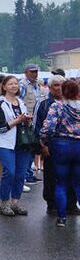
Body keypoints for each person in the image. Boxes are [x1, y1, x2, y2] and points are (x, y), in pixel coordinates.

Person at [34, 75, 77, 214]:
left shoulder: (73, 103)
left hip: (68, 146)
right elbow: (38, 126)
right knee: (52, 177)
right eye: (56, 85)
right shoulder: (44, 104)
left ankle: (71, 205)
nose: (59, 88)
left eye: (62, 85)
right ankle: (52, 205)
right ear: (50, 87)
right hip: (52, 145)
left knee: (73, 176)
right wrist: (43, 145)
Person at [0, 75, 33, 217]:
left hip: (22, 142)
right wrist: (18, 120)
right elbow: (0, 127)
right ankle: (4, 202)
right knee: (10, 171)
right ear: (4, 87)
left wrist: (27, 121)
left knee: (21, 174)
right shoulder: (0, 102)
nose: (14, 86)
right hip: (6, 142)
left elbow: (25, 122)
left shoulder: (21, 102)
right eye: (10, 84)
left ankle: (15, 202)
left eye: (16, 83)